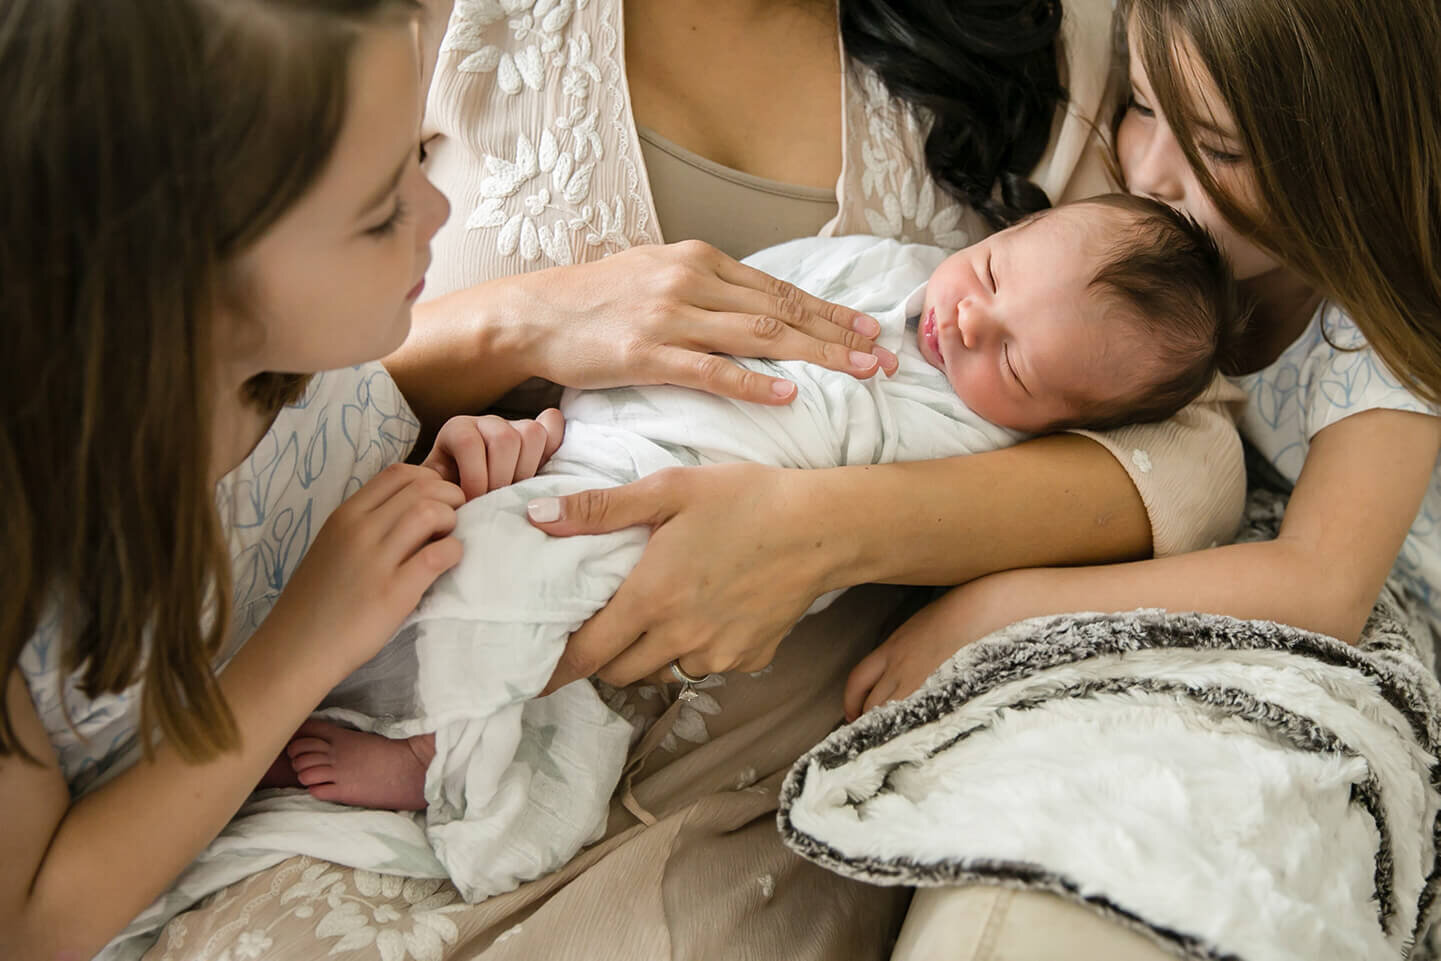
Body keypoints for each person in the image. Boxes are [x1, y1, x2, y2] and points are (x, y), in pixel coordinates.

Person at [274, 194, 1242, 874]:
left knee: (560, 635)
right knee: (463, 540)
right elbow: (726, 302)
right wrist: (552, 417)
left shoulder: (979, 441)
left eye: (1018, 364)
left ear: (1058, 418)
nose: (968, 322)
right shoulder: (877, 267)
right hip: (602, 438)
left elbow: (1159, 478)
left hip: (689, 539)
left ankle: (450, 757)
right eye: (989, 273)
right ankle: (331, 687)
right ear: (1009, 232)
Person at [0, 2, 575, 959]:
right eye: (382, 208)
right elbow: (30, 922)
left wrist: (424, 489)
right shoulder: (30, 542)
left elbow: (304, 518)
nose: (435, 209)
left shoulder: (306, 365)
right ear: (177, 280)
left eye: (416, 160)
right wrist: (304, 641)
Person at [845, 0, 1441, 716]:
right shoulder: (1166, 263)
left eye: (1219, 149)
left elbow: (1322, 586)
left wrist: (999, 605)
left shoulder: (1377, 323)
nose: (1150, 174)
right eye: (1141, 106)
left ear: (1352, 160)